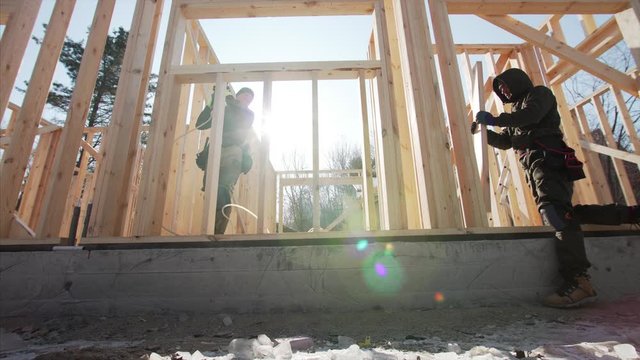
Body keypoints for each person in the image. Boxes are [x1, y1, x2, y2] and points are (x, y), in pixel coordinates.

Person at [471, 68, 639, 308]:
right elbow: (507, 141)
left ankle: (579, 281)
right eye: (501, 90)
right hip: (536, 167)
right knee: (566, 215)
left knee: (557, 215)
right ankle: (631, 214)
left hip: (549, 160)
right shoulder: (514, 111)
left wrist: (495, 119)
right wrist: (484, 133)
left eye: (505, 86)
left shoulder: (538, 95)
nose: (504, 91)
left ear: (517, 82)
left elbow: (531, 116)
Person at [196, 86, 255, 234]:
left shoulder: (248, 114)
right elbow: (201, 124)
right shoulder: (224, 107)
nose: (248, 100)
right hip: (214, 152)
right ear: (238, 95)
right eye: (246, 96)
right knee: (211, 193)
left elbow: (238, 125)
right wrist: (213, 101)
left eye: (250, 99)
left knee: (223, 192)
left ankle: (216, 235)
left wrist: (228, 101)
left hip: (232, 154)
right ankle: (207, 232)